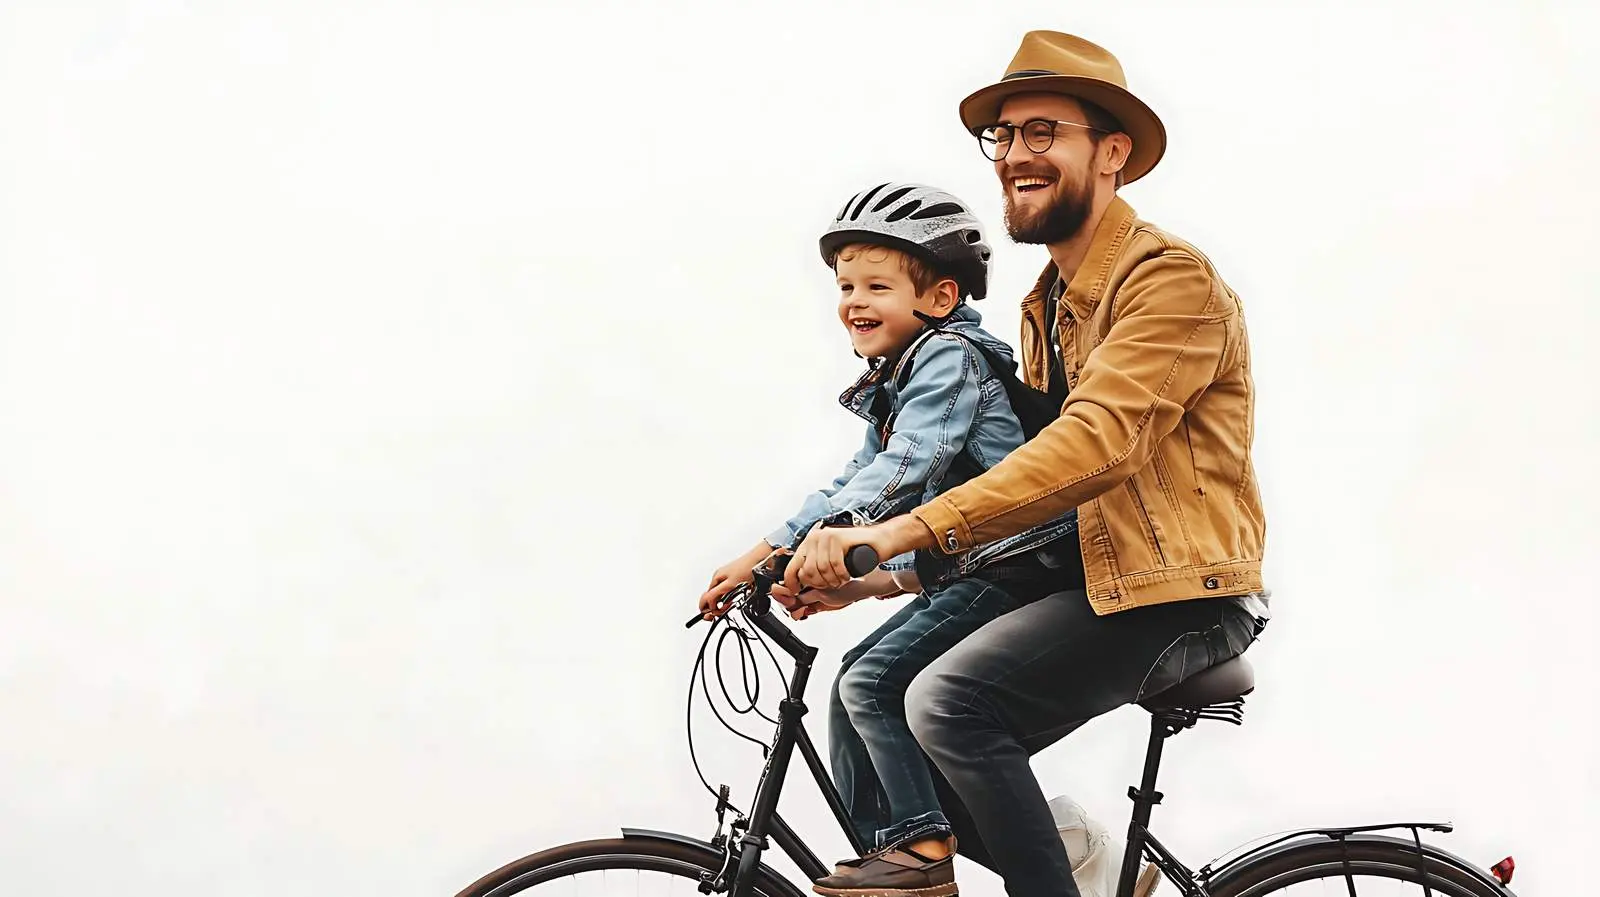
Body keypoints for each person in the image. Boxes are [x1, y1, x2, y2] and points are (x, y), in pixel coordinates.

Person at [784, 31, 1271, 897]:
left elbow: (1092, 446)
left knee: (946, 701)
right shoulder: (1047, 306)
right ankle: (1086, 859)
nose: (1015, 154)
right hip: (1092, 583)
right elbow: (1022, 503)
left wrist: (899, 530)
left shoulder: (1169, 282)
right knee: (881, 708)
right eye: (1003, 136)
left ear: (1112, 152)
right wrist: (883, 578)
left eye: (1043, 131)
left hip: (1177, 595)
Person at [697, 183, 1078, 897]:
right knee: (852, 691)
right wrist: (765, 554)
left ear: (939, 297)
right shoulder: (898, 376)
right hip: (975, 569)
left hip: (1019, 566)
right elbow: (858, 475)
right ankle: (891, 860)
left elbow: (907, 465)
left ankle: (918, 851)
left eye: (877, 285)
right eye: (846, 287)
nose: (854, 301)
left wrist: (835, 538)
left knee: (872, 683)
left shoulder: (948, 355)